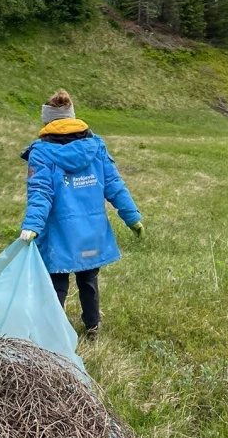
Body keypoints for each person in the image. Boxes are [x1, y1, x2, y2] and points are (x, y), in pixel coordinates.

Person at [20, 90, 142, 338]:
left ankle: (53, 333)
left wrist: (32, 225)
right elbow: (114, 185)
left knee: (57, 282)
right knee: (88, 279)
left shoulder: (41, 152)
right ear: (72, 117)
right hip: (91, 231)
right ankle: (92, 327)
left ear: (48, 121)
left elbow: (40, 192)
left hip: (59, 232)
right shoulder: (96, 146)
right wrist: (132, 217)